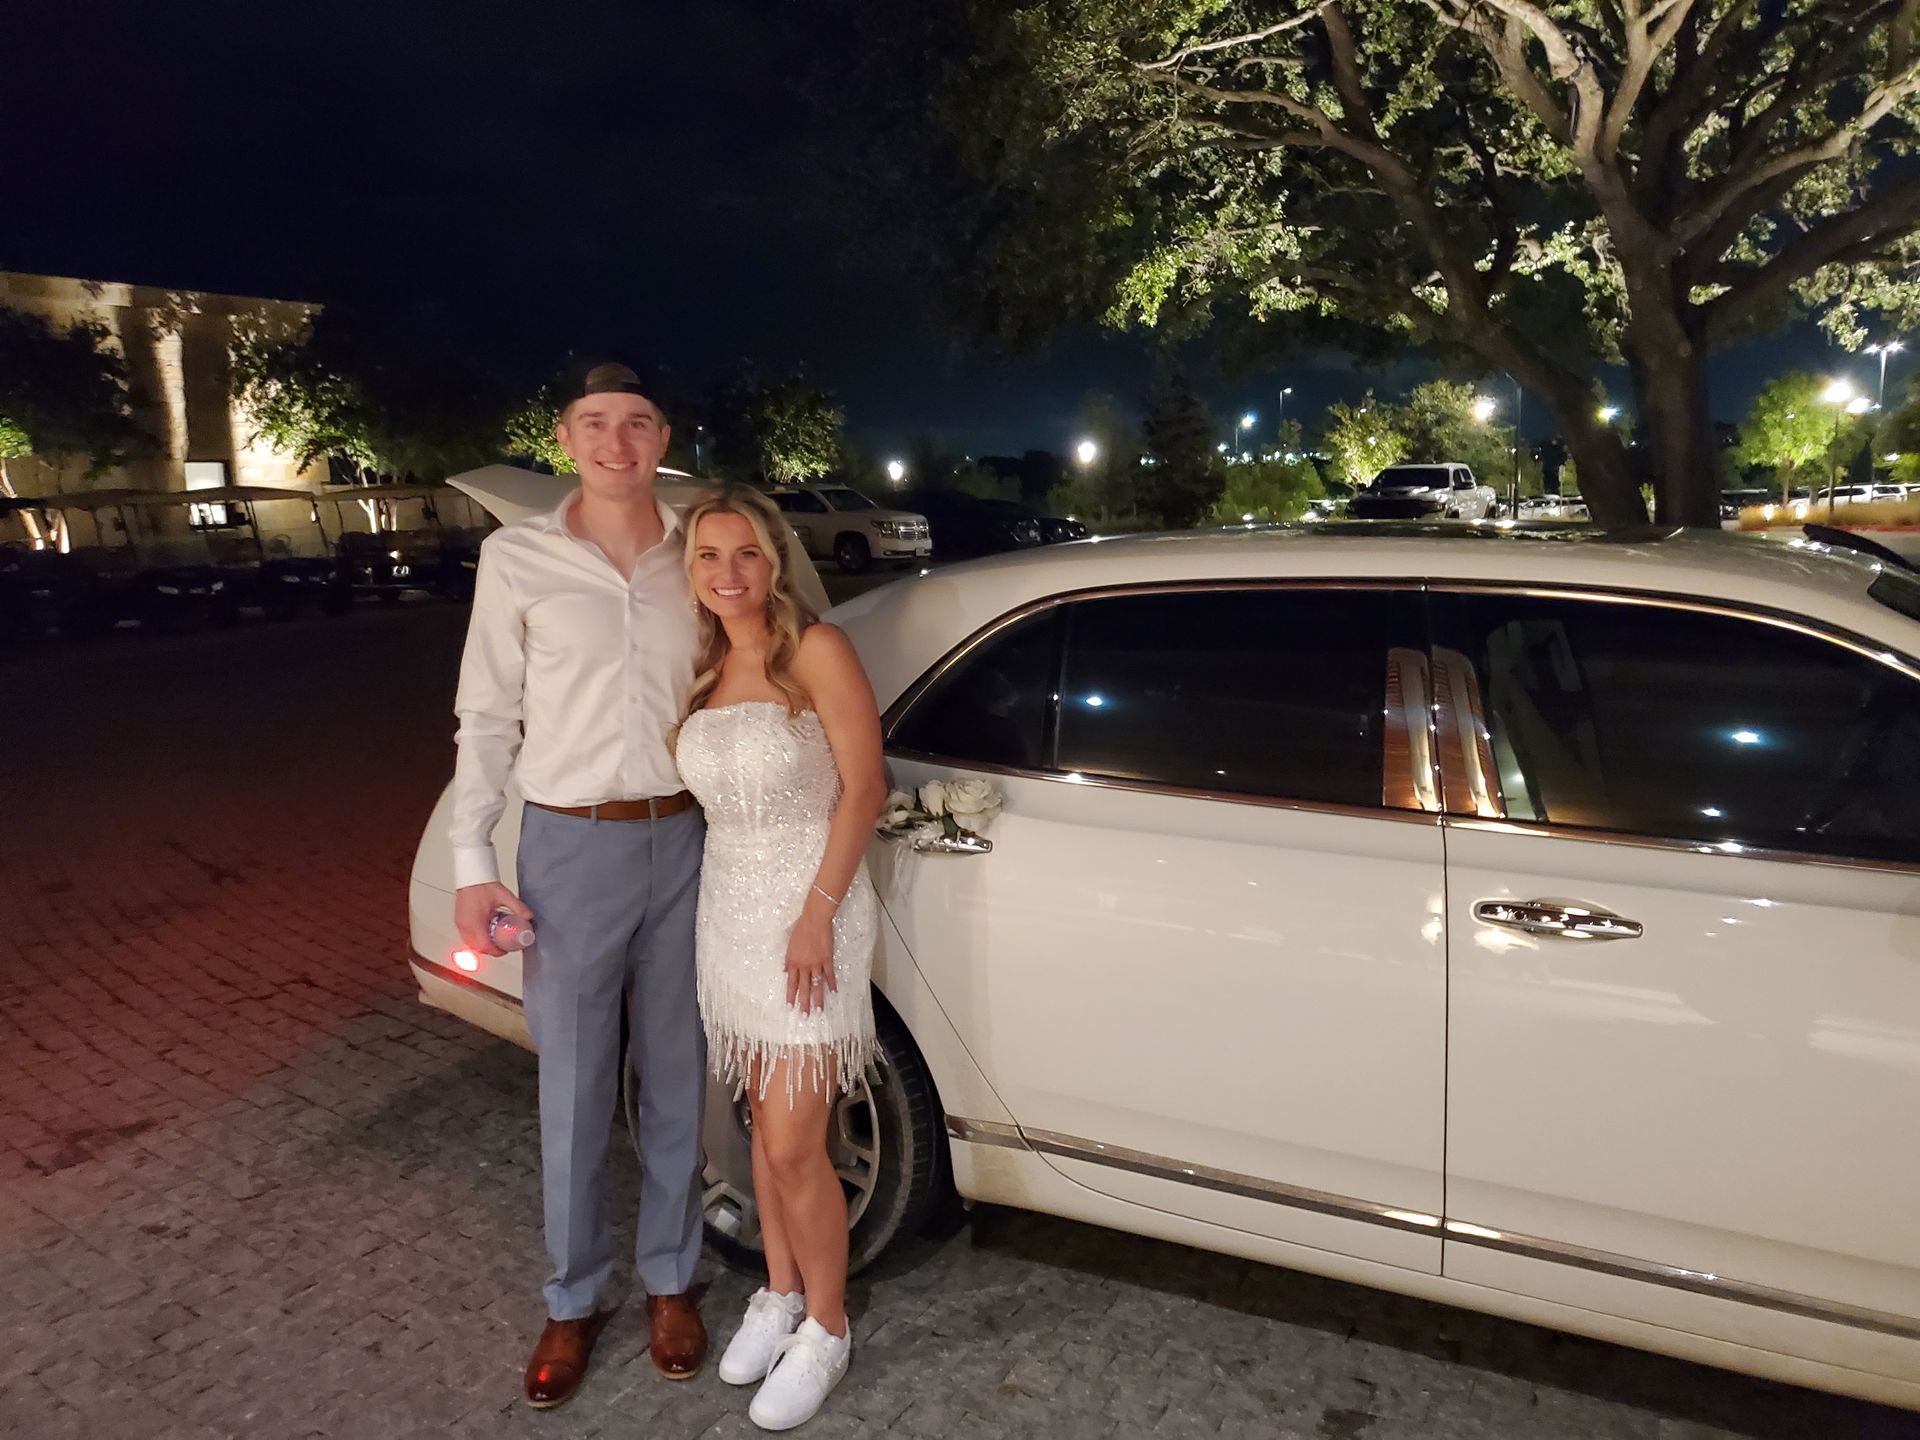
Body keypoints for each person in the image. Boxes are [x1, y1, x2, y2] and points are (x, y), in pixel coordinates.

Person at [448, 362, 710, 1408]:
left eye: (636, 423)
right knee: (572, 1082)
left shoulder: (699, 552)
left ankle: (671, 1277)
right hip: (568, 845)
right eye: (596, 425)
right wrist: (472, 863)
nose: (617, 443)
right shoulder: (517, 559)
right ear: (566, 438)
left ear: (662, 436)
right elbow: (487, 717)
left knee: (679, 1074)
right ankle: (571, 1294)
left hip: (689, 836)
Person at [673, 487, 885, 1431]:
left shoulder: (818, 652)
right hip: (730, 910)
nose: (729, 575)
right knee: (764, 1130)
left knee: (798, 1143)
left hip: (814, 909)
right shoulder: (705, 667)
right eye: (710, 557)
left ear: (775, 559)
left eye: (746, 555)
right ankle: (780, 1292)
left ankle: (830, 1330)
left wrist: (816, 916)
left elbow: (865, 789)